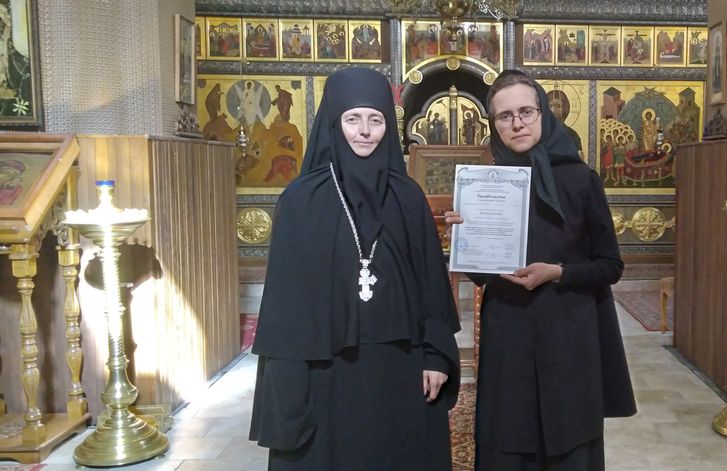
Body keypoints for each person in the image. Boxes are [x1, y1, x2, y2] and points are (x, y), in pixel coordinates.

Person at [249, 67, 461, 470]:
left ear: (389, 126)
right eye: (353, 119)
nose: (365, 131)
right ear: (334, 122)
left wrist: (435, 355)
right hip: (326, 371)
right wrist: (288, 384)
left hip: (399, 367)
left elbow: (431, 285)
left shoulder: (408, 196)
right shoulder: (300, 200)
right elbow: (285, 305)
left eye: (375, 119)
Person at [446, 70, 636, 470]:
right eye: (505, 116)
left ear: (544, 113)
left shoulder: (581, 179)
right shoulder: (488, 183)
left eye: (526, 112)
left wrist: (558, 272)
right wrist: (466, 240)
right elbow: (482, 276)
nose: (517, 123)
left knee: (569, 440)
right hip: (509, 330)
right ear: (494, 125)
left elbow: (610, 265)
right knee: (508, 435)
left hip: (568, 330)